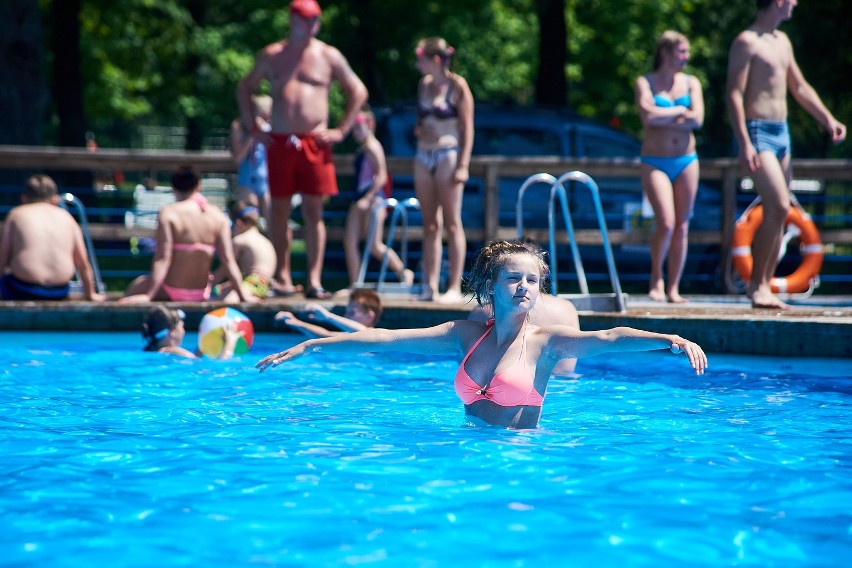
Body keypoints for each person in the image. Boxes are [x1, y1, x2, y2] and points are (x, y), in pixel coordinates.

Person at [258, 240, 707, 430]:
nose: (524, 287)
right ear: (492, 286)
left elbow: (611, 337)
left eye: (532, 280)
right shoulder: (463, 334)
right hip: (468, 455)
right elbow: (387, 339)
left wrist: (672, 339)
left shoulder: (547, 345)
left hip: (520, 464)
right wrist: (312, 343)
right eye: (513, 278)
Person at [236, 0, 368, 300]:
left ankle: (313, 279)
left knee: (313, 211)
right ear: (292, 21)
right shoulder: (272, 54)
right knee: (278, 211)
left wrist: (341, 130)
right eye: (304, 20)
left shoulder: (328, 55)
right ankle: (282, 277)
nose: (309, 26)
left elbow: (358, 90)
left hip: (315, 143)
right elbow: (245, 88)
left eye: (314, 20)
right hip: (280, 141)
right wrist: (254, 128)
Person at [726, 0, 846, 310]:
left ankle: (764, 285)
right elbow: (734, 94)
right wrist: (744, 142)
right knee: (778, 206)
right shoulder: (747, 41)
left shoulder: (782, 41)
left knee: (778, 215)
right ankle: (756, 287)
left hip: (782, 134)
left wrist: (827, 118)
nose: (795, 4)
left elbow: (800, 87)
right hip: (757, 132)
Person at [635, 31, 704, 304]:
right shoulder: (645, 82)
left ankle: (674, 287)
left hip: (687, 159)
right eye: (682, 51)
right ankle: (656, 278)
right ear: (666, 52)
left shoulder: (691, 82)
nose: (686, 57)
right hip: (655, 161)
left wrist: (665, 115)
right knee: (666, 222)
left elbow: (697, 118)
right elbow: (648, 116)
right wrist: (679, 113)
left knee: (682, 226)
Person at [120, 165, 251, 303]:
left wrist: (149, 295)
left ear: (173, 187)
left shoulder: (168, 213)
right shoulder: (218, 216)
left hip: (170, 291)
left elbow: (163, 258)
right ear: (198, 186)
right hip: (201, 292)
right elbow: (229, 260)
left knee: (135, 287)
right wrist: (242, 296)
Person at [413, 37, 474, 303]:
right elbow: (420, 121)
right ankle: (430, 285)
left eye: (421, 59)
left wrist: (463, 165)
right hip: (424, 153)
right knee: (430, 224)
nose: (418, 64)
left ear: (435, 60)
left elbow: (468, 128)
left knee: (451, 222)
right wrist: (419, 130)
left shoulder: (458, 86)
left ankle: (453, 287)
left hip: (448, 153)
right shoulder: (423, 85)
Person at [342, 106, 414, 293]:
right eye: (353, 128)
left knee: (374, 245)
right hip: (362, 198)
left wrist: (367, 198)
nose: (355, 132)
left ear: (370, 125)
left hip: (373, 199)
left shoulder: (374, 147)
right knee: (350, 240)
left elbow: (381, 177)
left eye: (359, 127)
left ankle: (403, 272)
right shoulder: (364, 149)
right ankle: (354, 284)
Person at [0, 174, 105, 302]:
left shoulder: (16, 214)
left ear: (24, 198)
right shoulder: (67, 217)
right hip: (58, 290)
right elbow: (83, 263)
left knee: (6, 280)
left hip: (22, 288)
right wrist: (90, 294)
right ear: (55, 200)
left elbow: (2, 258)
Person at [469, 292, 580, 378]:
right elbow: (566, 369)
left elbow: (469, 371)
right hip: (562, 390)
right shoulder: (566, 308)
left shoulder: (484, 312)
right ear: (545, 271)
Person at [210, 202, 277, 302]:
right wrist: (225, 286)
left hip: (254, 281)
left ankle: (252, 301)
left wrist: (211, 281)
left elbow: (227, 266)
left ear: (238, 223)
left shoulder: (240, 240)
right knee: (219, 297)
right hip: (265, 284)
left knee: (228, 302)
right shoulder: (265, 240)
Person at [231, 94, 272, 224]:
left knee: (276, 222)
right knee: (247, 220)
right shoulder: (240, 126)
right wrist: (252, 133)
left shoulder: (273, 127)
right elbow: (238, 158)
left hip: (268, 181)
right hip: (247, 180)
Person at [275, 288, 383, 339]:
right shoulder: (348, 337)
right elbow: (325, 335)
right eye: (346, 312)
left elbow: (364, 333)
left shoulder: (380, 338)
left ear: (369, 316)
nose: (346, 316)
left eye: (351, 312)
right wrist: (296, 322)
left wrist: (328, 316)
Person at [141, 305, 241, 359]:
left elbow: (195, 360)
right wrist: (229, 344)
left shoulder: (153, 351)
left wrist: (202, 344)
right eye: (182, 327)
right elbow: (218, 370)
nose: (184, 331)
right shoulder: (174, 351)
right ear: (172, 331)